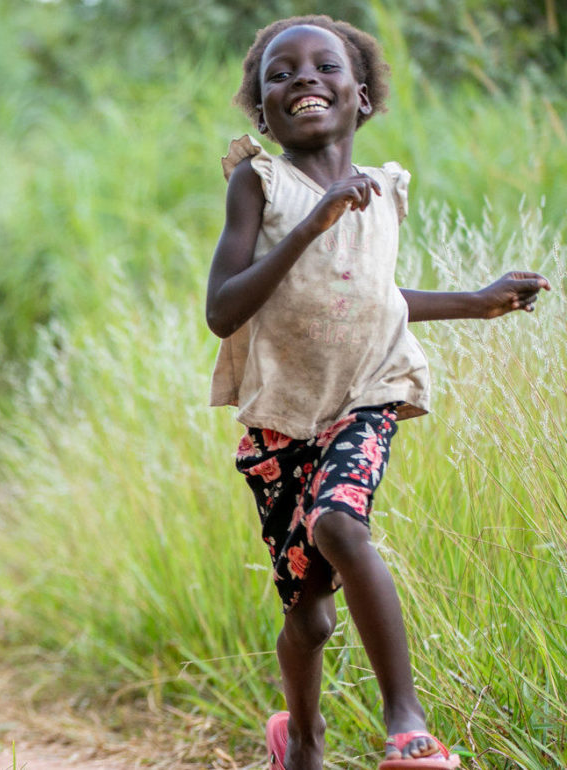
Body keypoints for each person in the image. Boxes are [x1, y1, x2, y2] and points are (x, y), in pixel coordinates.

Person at [206, 16, 550, 770]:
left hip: (367, 392)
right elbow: (222, 311)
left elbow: (371, 298)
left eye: (324, 66)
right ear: (262, 112)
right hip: (281, 419)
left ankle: (408, 724)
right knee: (309, 618)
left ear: (360, 98)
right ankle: (301, 739)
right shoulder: (258, 184)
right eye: (280, 73)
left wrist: (475, 302)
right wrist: (311, 225)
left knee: (338, 522)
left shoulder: (385, 189)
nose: (303, 76)